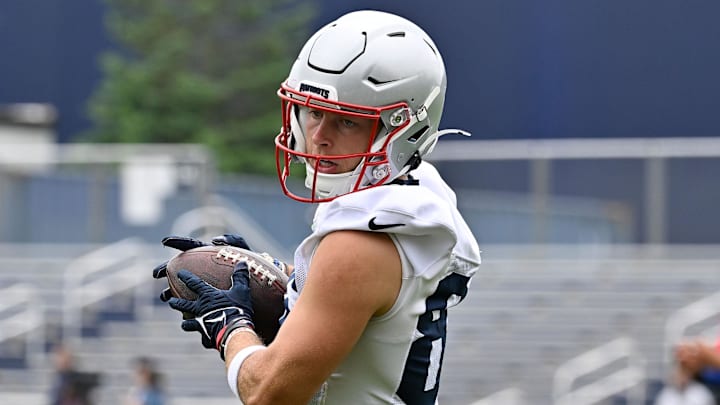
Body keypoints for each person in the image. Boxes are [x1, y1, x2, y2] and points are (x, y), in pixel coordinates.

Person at [153, 9, 481, 404]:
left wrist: (229, 326)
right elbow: (364, 298)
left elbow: (268, 393)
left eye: (346, 122)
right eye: (312, 112)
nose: (319, 137)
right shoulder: (411, 197)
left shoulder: (361, 245)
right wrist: (276, 271)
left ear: (401, 129)